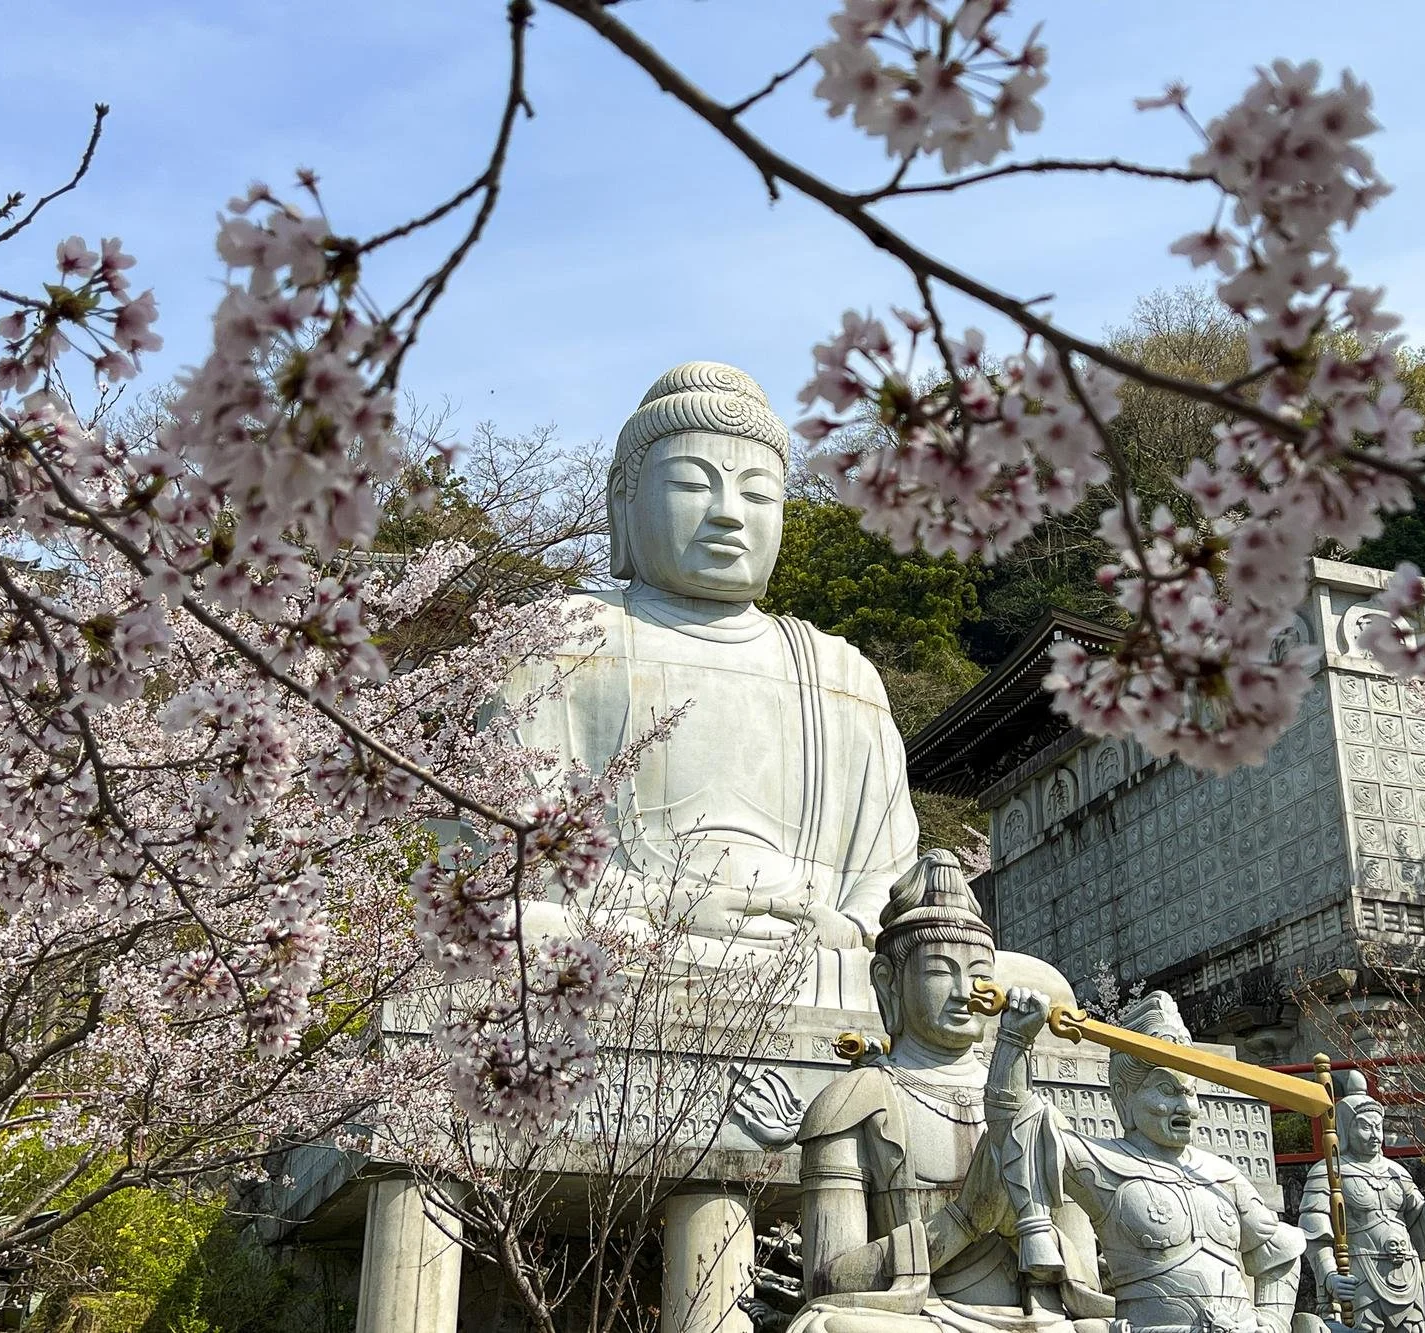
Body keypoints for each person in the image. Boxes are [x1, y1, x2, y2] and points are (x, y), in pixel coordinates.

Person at [499, 361, 919, 1007]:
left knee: (1000, 980)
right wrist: (676, 906)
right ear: (623, 501)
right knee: (523, 929)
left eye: (757, 494)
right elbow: (518, 846)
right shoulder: (561, 637)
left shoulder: (839, 671)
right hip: (629, 934)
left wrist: (853, 924)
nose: (728, 516)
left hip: (817, 954)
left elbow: (884, 873)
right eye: (691, 486)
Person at [789, 852, 1111, 1333]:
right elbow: (828, 1277)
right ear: (888, 982)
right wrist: (965, 1218)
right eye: (941, 971)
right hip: (923, 1320)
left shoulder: (1036, 1112)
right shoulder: (853, 1102)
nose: (966, 991)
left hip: (1035, 1322)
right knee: (828, 1327)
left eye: (980, 973)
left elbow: (1084, 1276)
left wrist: (1024, 1229)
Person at [984, 988, 1304, 1333]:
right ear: (1124, 1096)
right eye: (1167, 1091)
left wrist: (1271, 1322)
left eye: (1190, 1091)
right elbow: (1017, 1127)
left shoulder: (1223, 1176)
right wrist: (1015, 1038)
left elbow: (1280, 1256)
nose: (1187, 1107)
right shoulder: (1104, 1162)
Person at [1299, 1073, 1425, 1332]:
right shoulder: (1328, 1172)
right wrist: (1330, 1276)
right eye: (1365, 1126)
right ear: (1346, 1128)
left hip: (1406, 1269)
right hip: (1361, 1269)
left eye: (1378, 1126)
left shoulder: (1397, 1172)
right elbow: (1315, 1233)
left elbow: (1421, 1230)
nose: (1375, 1135)